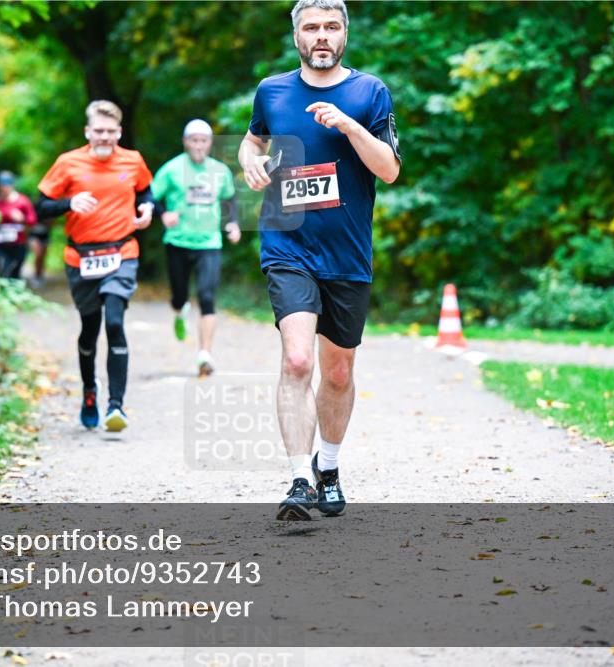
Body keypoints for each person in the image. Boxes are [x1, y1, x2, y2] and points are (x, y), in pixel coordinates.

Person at [237, 0, 401, 520]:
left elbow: (389, 169)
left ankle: (327, 467)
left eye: (332, 26)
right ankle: (299, 480)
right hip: (287, 245)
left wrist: (351, 127)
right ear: (297, 37)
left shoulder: (369, 92)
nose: (322, 35)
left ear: (345, 34)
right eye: (312, 27)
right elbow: (252, 140)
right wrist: (251, 163)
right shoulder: (272, 90)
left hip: (347, 252)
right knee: (297, 360)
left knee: (337, 371)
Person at [36, 100, 155, 432]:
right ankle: (90, 390)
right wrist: (69, 203)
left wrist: (147, 210)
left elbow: (146, 193)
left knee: (114, 322)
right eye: (99, 131)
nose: (104, 137)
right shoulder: (68, 163)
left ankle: (116, 406)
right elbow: (41, 207)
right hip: (81, 258)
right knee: (90, 329)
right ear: (87, 131)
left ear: (119, 132)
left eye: (110, 131)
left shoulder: (132, 161)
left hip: (122, 252)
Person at [151, 119, 241, 377]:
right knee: (179, 297)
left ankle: (205, 354)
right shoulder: (172, 169)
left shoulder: (220, 171)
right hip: (178, 241)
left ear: (210, 143)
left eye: (203, 141)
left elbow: (230, 198)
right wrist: (163, 214)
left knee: (207, 297)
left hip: (209, 242)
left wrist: (233, 223)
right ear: (185, 142)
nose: (199, 145)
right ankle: (180, 312)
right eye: (194, 140)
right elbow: (150, 197)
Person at [0, 170, 37, 279]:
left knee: (15, 274)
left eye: (6, 185)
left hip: (17, 244)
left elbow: (32, 221)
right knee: (2, 270)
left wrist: (22, 219)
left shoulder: (22, 201)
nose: (4, 188)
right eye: (1, 186)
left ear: (12, 185)